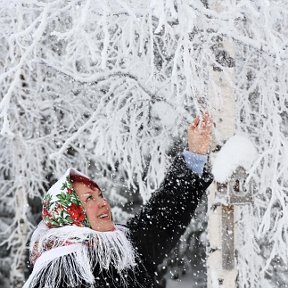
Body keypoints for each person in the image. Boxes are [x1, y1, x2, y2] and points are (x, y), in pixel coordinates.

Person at [24, 112, 214, 288]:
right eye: (90, 198)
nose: (103, 203)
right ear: (69, 213)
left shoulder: (124, 247)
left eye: (100, 195)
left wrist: (194, 156)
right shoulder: (54, 275)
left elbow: (163, 215)